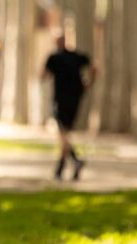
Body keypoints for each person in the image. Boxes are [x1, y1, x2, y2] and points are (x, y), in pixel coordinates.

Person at [42, 35, 96, 181]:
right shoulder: (77, 56)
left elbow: (43, 75)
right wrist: (87, 83)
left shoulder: (53, 58)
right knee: (65, 133)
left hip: (60, 99)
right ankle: (63, 167)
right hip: (76, 98)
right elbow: (94, 67)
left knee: (63, 134)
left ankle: (72, 162)